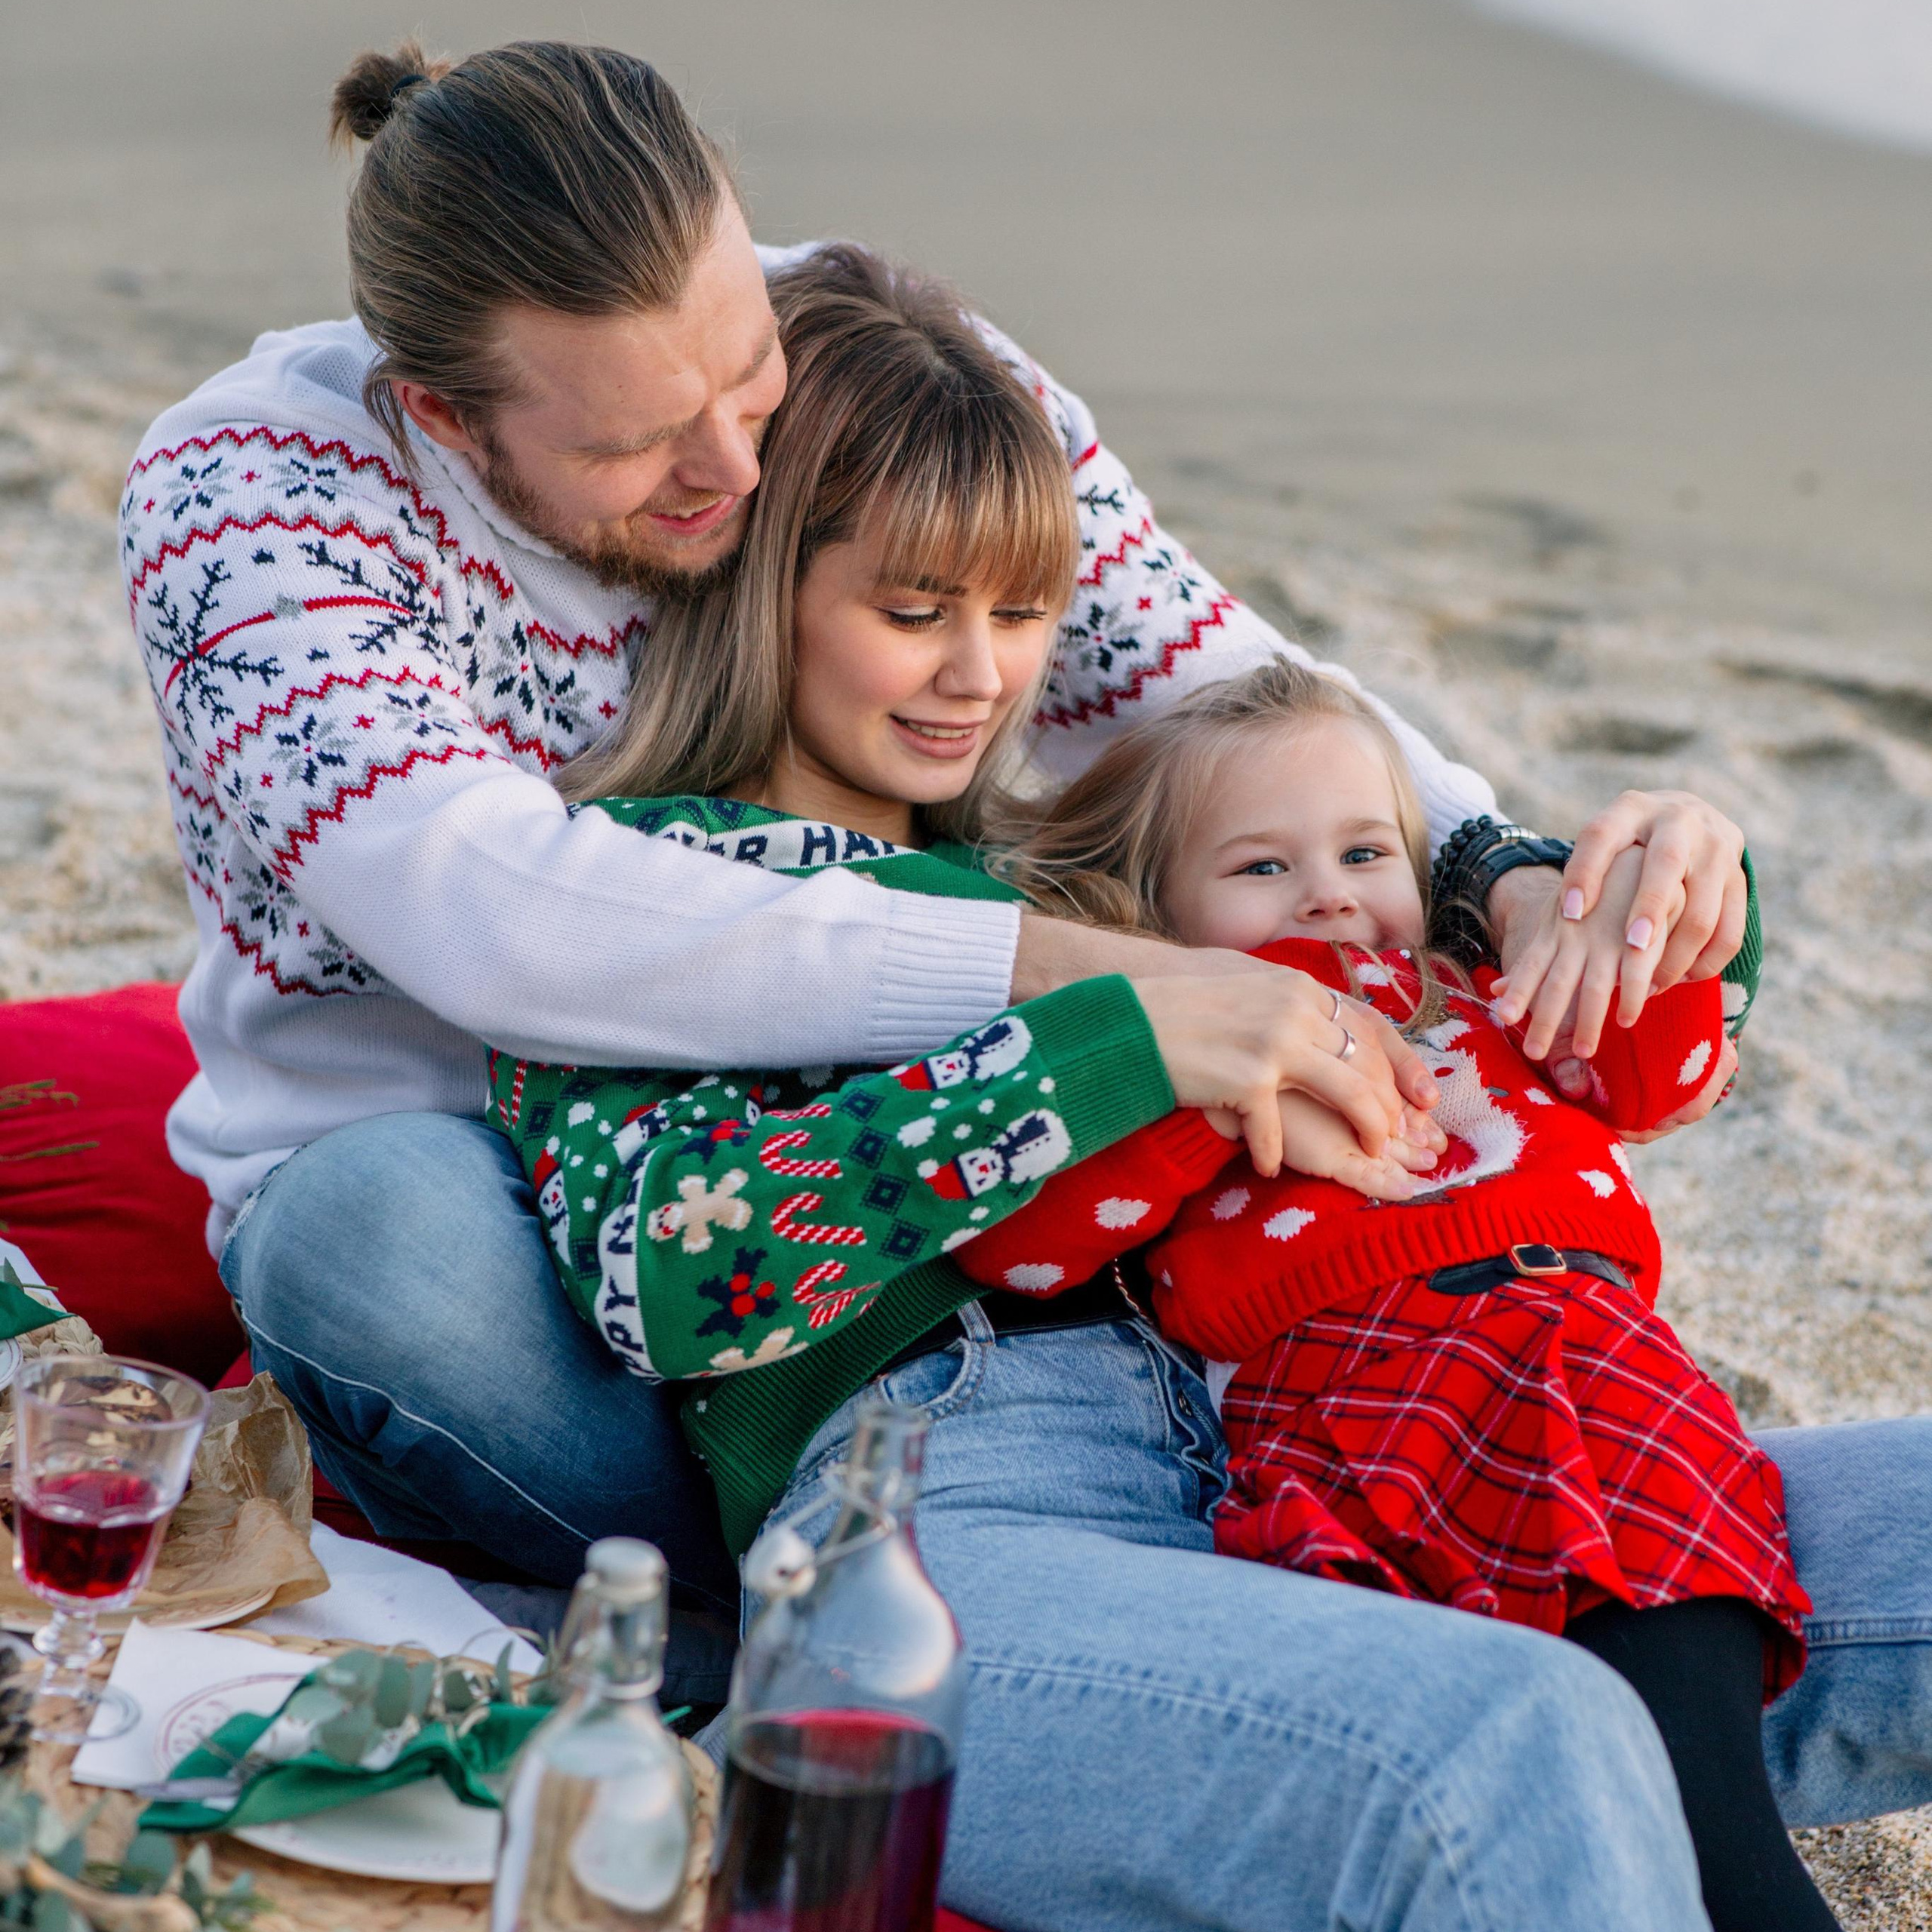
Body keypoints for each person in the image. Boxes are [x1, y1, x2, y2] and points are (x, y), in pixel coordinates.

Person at [125, 36, 1932, 1921]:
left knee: (1562, 1689)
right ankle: (727, 1628)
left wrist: (1555, 874)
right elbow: (596, 1080)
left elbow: (1218, 676)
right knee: (1517, 1743)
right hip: (898, 1469)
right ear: (448, 414)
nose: (733, 466)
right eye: (908, 604)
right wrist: (1096, 1010)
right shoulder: (366, 599)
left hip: (1297, 1426)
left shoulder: (1028, 742)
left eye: (753, 387)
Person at [492, 242, 1793, 1930]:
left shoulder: (1070, 855)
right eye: (912, 611)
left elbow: (1363, 906)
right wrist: (1132, 1034)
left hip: (1342, 1462)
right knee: (1520, 1738)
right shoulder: (634, 887)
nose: (981, 678)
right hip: (949, 1525)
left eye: (1021, 615)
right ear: (755, 583)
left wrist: (1664, 891)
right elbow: (672, 1264)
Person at [961, 657, 1832, 1930]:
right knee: (1499, 1748)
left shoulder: (1478, 999)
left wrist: (1671, 904)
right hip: (1368, 1399)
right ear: (1153, 918)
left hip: (1600, 1353)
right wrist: (1188, 1068)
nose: (1331, 896)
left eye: (1368, 852)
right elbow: (1024, 1247)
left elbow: (1662, 1072)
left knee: (1679, 1702)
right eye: (1262, 869)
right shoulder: (1187, 1066)